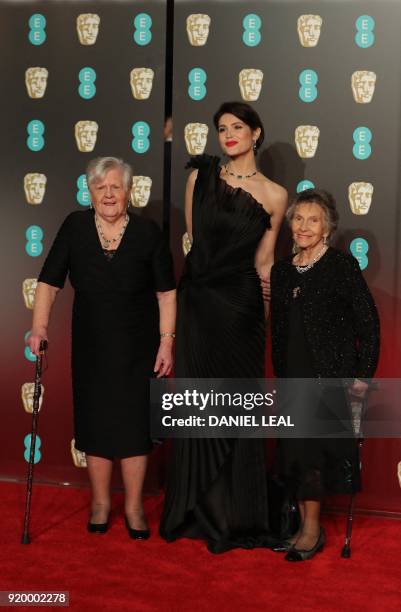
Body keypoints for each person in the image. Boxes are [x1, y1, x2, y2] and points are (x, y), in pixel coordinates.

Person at [160, 101, 287, 553]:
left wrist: (264, 321)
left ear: (256, 133)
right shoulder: (201, 177)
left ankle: (238, 515)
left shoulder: (275, 195)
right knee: (198, 405)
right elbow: (195, 244)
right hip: (199, 305)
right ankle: (194, 509)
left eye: (237, 127)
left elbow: (265, 262)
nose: (228, 135)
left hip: (242, 310)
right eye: (221, 129)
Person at [28, 157, 176, 539]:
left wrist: (166, 342)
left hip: (138, 346)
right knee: (94, 422)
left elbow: (166, 294)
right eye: (100, 187)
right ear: (89, 191)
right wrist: (38, 327)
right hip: (91, 346)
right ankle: (100, 503)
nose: (108, 193)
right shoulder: (75, 227)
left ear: (129, 191)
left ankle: (133, 507)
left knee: (134, 425)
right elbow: (47, 283)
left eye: (116, 186)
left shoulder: (147, 233)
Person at [270, 188, 380, 561]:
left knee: (311, 453)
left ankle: (312, 531)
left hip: (329, 376)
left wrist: (361, 378)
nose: (303, 226)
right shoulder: (281, 271)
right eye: (298, 219)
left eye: (312, 220)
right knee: (294, 453)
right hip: (291, 377)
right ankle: (302, 526)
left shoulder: (341, 267)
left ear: (327, 227)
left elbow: (369, 326)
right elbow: (280, 331)